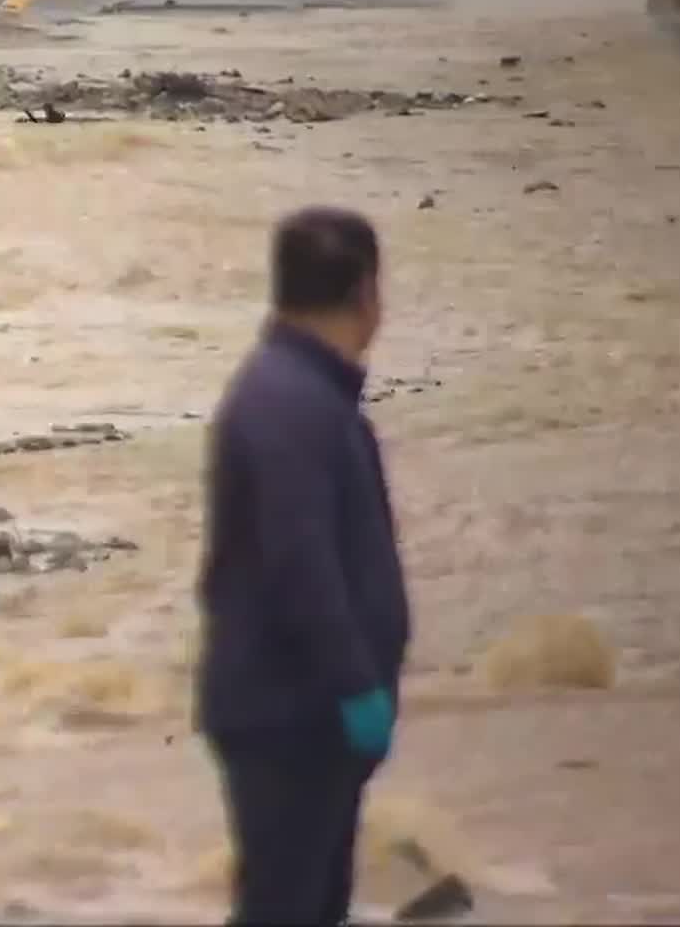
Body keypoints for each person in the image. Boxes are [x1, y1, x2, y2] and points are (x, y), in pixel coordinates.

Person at [193, 205, 413, 926]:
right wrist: (356, 688)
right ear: (365, 294)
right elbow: (300, 566)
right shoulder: (291, 402)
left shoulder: (301, 389)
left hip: (300, 711)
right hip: (290, 713)